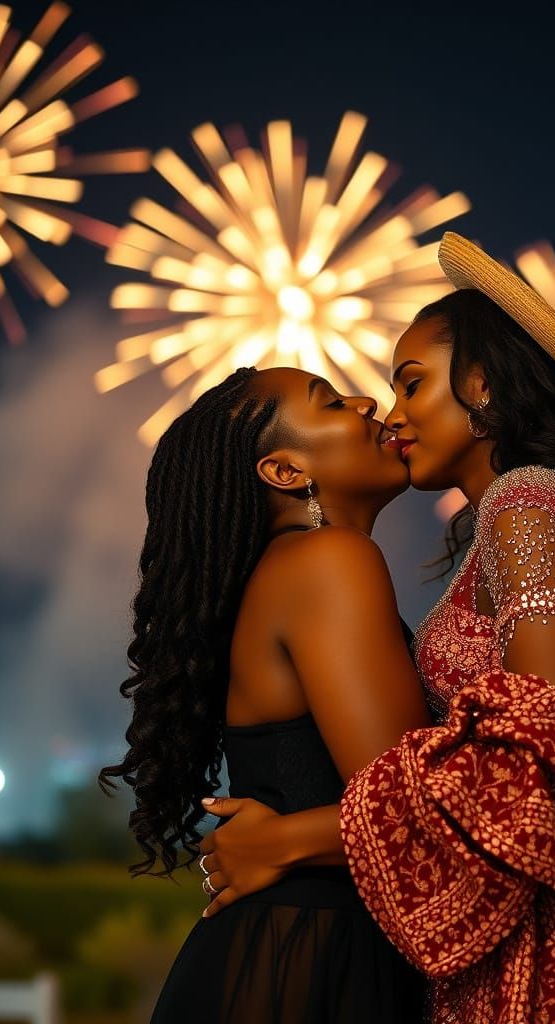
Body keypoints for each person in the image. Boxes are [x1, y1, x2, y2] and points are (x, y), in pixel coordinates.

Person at [200, 233, 555, 1023]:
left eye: (412, 384)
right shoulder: (530, 513)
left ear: (480, 383)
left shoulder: (528, 502)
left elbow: (539, 768)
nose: (390, 414)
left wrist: (288, 840)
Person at [97, 365, 434, 1023]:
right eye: (331, 403)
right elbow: (406, 806)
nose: (368, 401)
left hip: (284, 951)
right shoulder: (328, 560)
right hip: (315, 958)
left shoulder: (285, 570)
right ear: (285, 471)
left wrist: (281, 839)